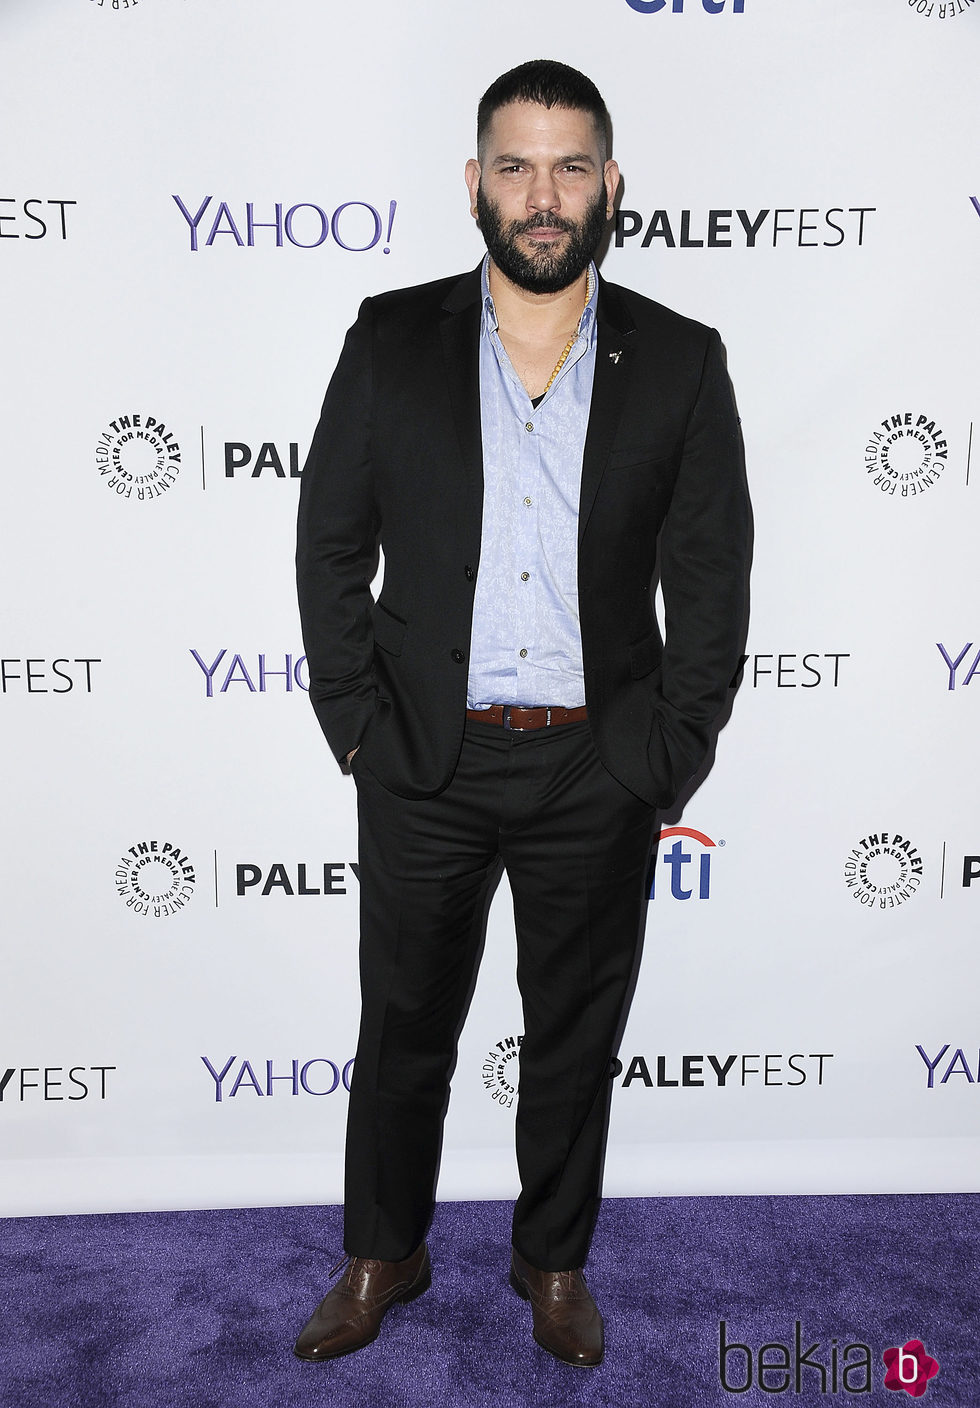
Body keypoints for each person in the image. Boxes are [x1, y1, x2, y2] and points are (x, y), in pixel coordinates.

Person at [294, 58, 749, 1367]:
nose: (541, 197)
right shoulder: (390, 338)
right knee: (404, 1030)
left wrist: (665, 755)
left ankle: (552, 1264)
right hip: (425, 760)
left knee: (575, 1039)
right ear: (474, 184)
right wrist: (355, 725)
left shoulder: (680, 358)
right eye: (515, 165)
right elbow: (330, 545)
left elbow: (712, 578)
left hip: (592, 769)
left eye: (568, 167)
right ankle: (385, 1251)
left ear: (611, 184)